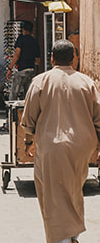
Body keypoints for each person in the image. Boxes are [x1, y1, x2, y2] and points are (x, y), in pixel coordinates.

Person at [21, 39, 100, 243]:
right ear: (74, 58)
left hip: (51, 146)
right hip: (83, 147)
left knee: (53, 193)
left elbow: (29, 118)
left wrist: (29, 142)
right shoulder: (87, 82)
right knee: (73, 189)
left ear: (52, 57)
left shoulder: (41, 81)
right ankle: (72, 235)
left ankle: (62, 239)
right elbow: (98, 119)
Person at [7, 20, 41, 100]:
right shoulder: (35, 42)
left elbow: (17, 55)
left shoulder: (21, 39)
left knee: (14, 94)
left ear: (23, 29)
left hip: (22, 70)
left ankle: (11, 112)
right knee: (28, 95)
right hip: (31, 71)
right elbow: (38, 61)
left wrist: (10, 68)